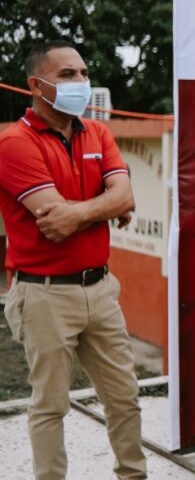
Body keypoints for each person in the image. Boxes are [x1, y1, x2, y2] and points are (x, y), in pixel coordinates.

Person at [0, 41, 146, 479]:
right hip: (44, 294)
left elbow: (124, 197)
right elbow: (54, 220)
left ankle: (133, 475)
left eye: (83, 72)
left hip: (101, 289)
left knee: (124, 396)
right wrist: (106, 204)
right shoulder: (13, 143)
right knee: (51, 404)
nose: (81, 82)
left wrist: (83, 209)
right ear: (36, 85)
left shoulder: (97, 133)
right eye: (67, 75)